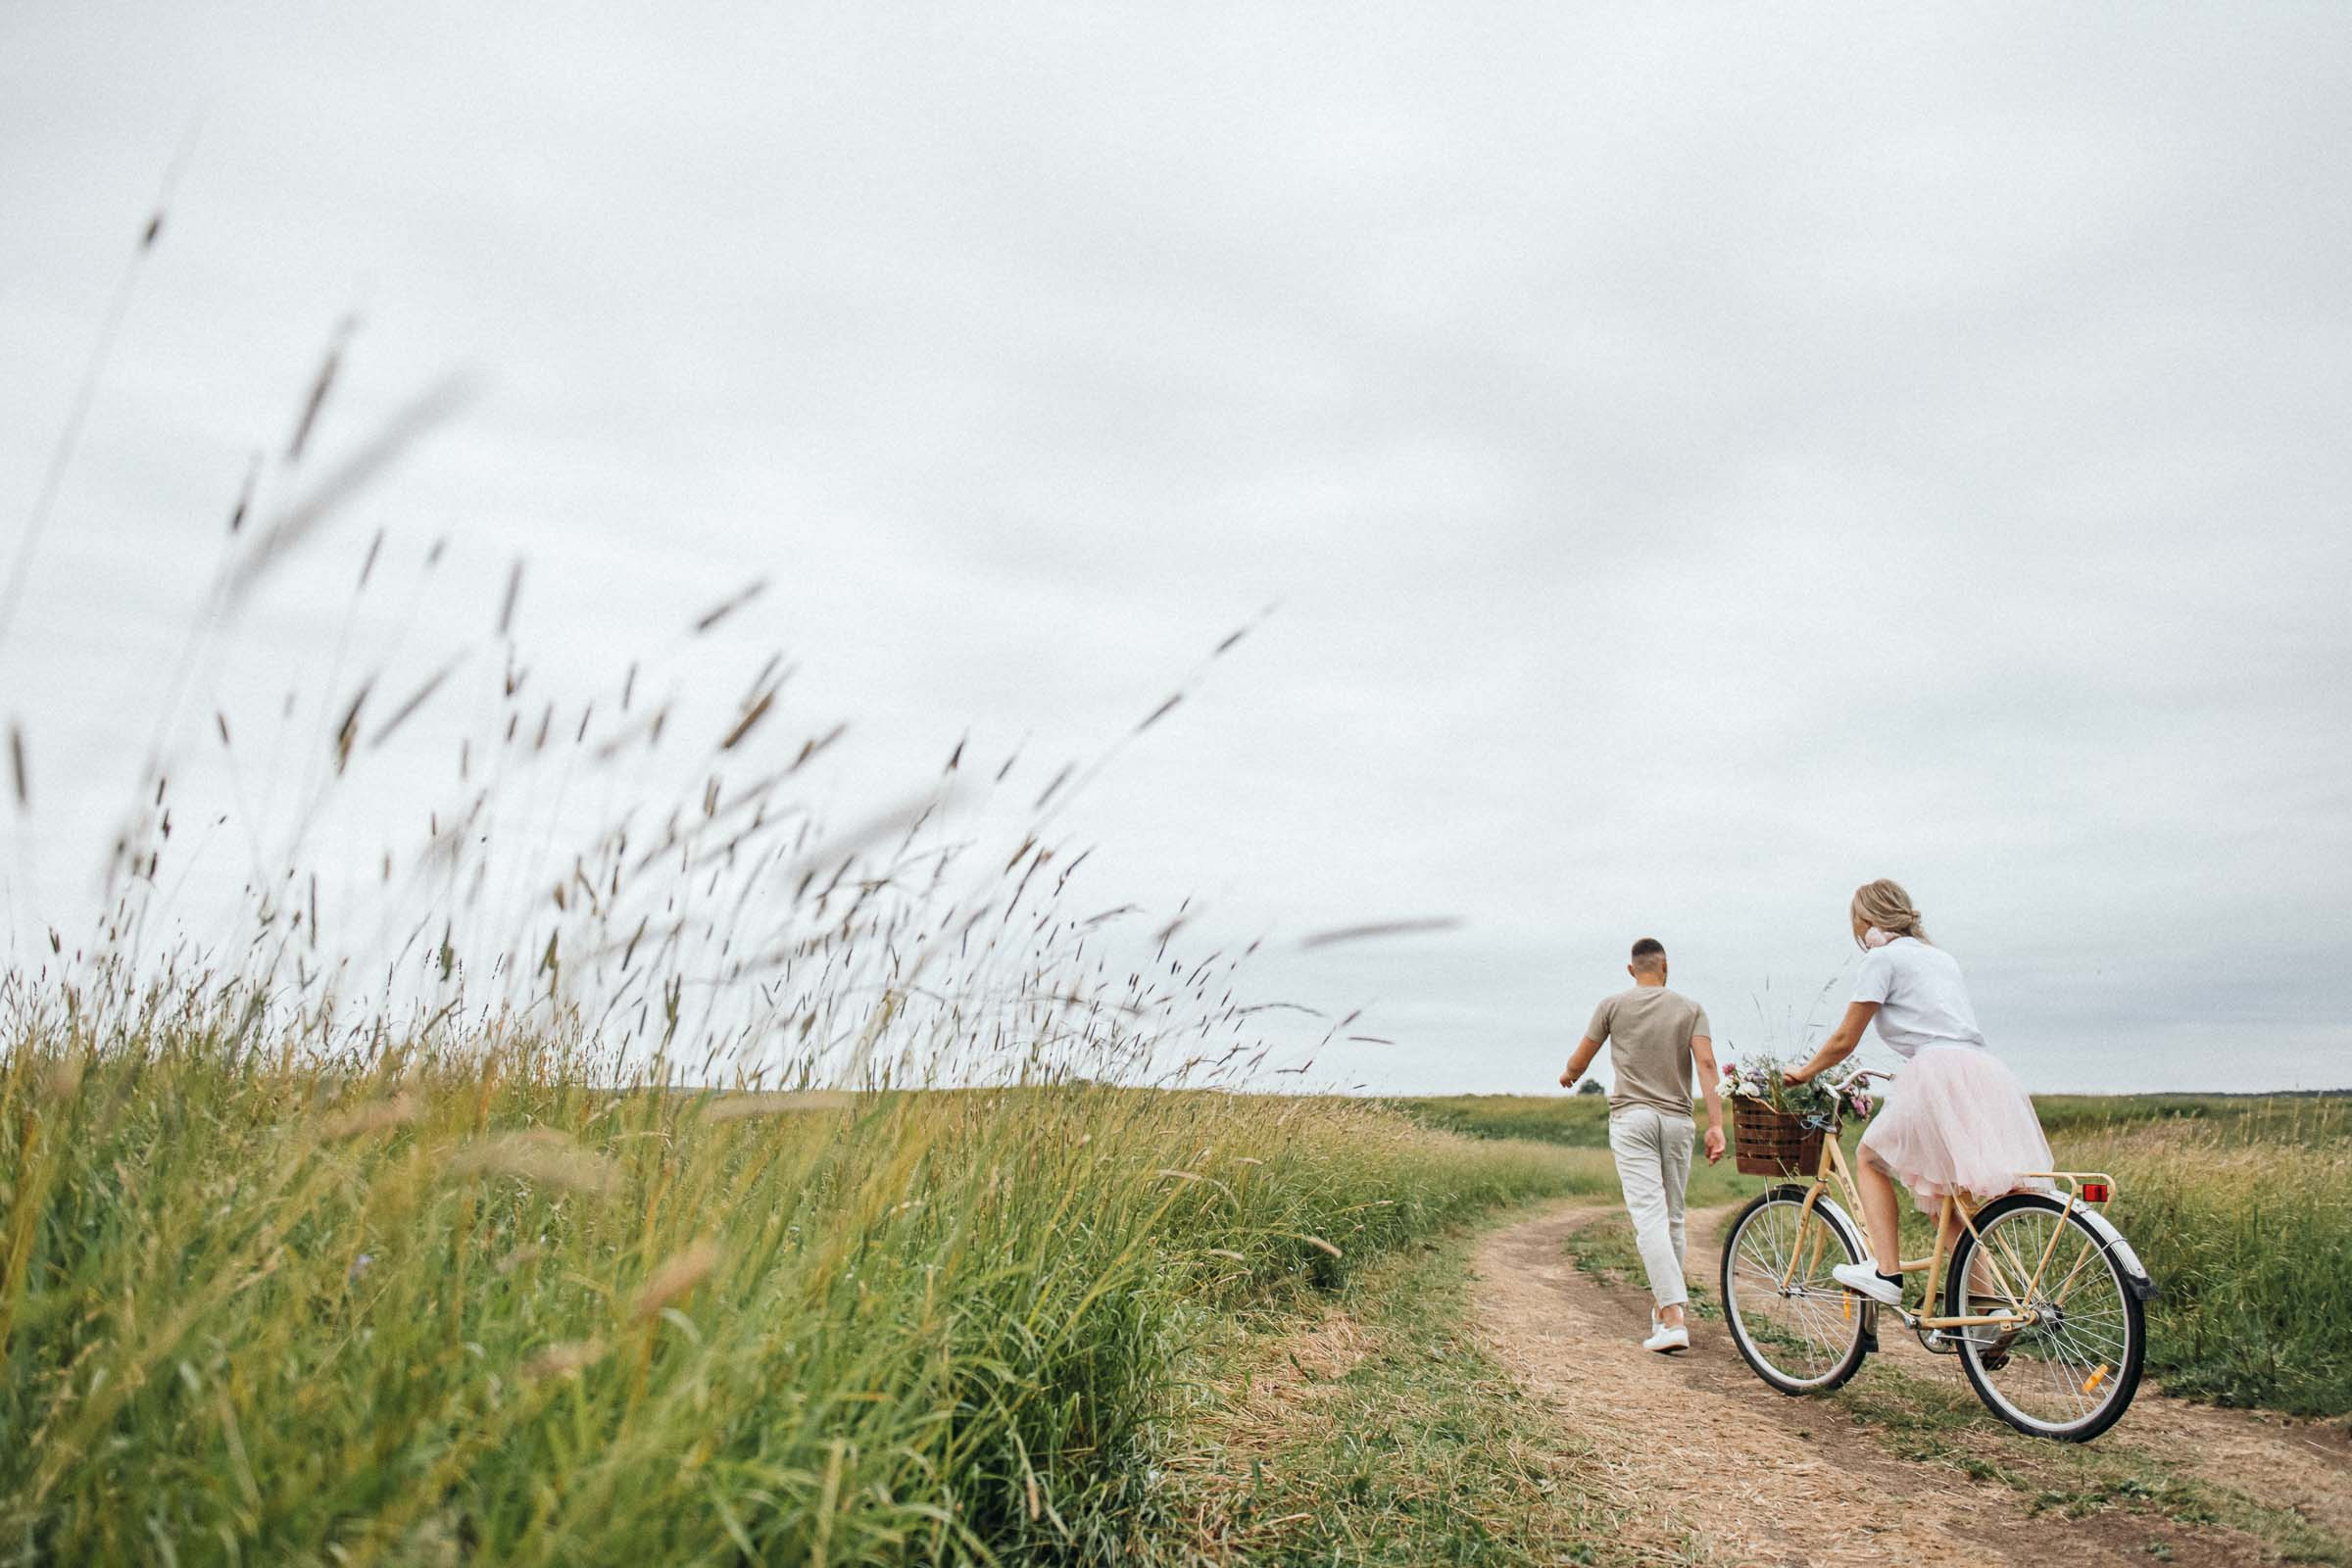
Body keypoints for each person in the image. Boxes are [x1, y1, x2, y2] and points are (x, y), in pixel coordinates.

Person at [1782, 879, 2053, 1306]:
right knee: (1942, 1200)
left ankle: (1887, 1274)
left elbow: (1843, 1041)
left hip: (1937, 1071)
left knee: (1869, 1158)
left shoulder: (1882, 959)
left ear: (1867, 920)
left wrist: (1804, 1072)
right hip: (1981, 1070)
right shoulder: (1940, 958)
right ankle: (1986, 1309)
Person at [1558, 937, 1726, 1352]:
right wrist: (1717, 1125)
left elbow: (1582, 1058)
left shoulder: (1613, 1005)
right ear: (1665, 966)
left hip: (1633, 1118)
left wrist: (1569, 1075)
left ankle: (1672, 1319)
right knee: (1672, 1218)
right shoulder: (1690, 1008)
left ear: (1631, 970)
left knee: (1649, 1217)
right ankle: (1663, 1311)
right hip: (1676, 1121)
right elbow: (1706, 1064)